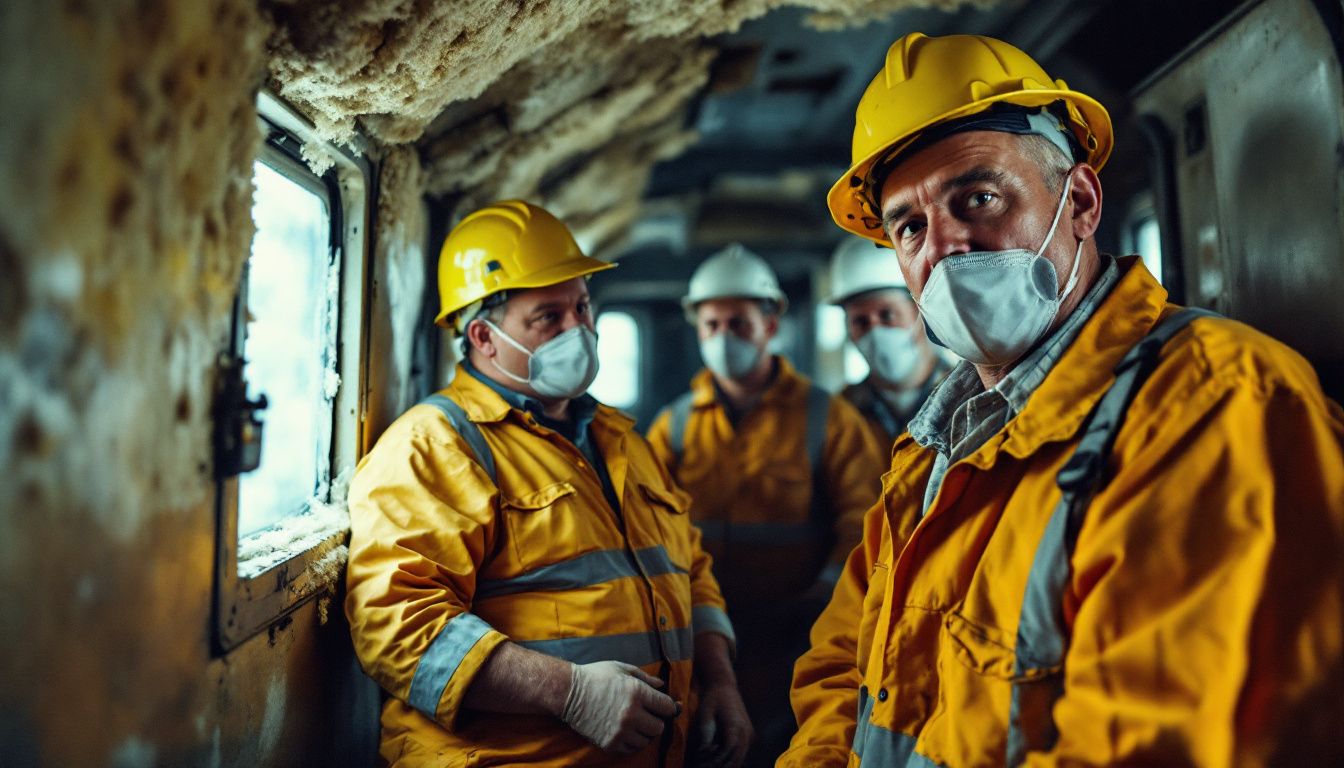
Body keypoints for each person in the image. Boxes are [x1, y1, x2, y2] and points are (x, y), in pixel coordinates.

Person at [782, 32, 1344, 766]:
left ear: (1079, 201)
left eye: (978, 197)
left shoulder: (1209, 404)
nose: (944, 248)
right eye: (910, 227)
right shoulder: (934, 448)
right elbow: (840, 669)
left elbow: (1152, 743)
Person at [345, 200, 752, 767]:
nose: (578, 330)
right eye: (548, 317)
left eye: (582, 307)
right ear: (484, 337)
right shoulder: (435, 446)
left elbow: (690, 568)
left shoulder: (622, 438)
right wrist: (570, 693)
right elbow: (397, 628)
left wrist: (718, 682)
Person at [647, 243, 886, 766]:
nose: (723, 337)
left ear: (771, 324)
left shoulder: (827, 418)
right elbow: (649, 534)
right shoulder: (675, 426)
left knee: (796, 744)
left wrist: (824, 597)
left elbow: (863, 522)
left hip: (798, 636)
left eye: (738, 323)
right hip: (707, 638)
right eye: (711, 325)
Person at [828, 236, 954, 447]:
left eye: (887, 315)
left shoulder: (967, 395)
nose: (875, 331)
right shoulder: (838, 412)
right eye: (860, 321)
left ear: (920, 313)